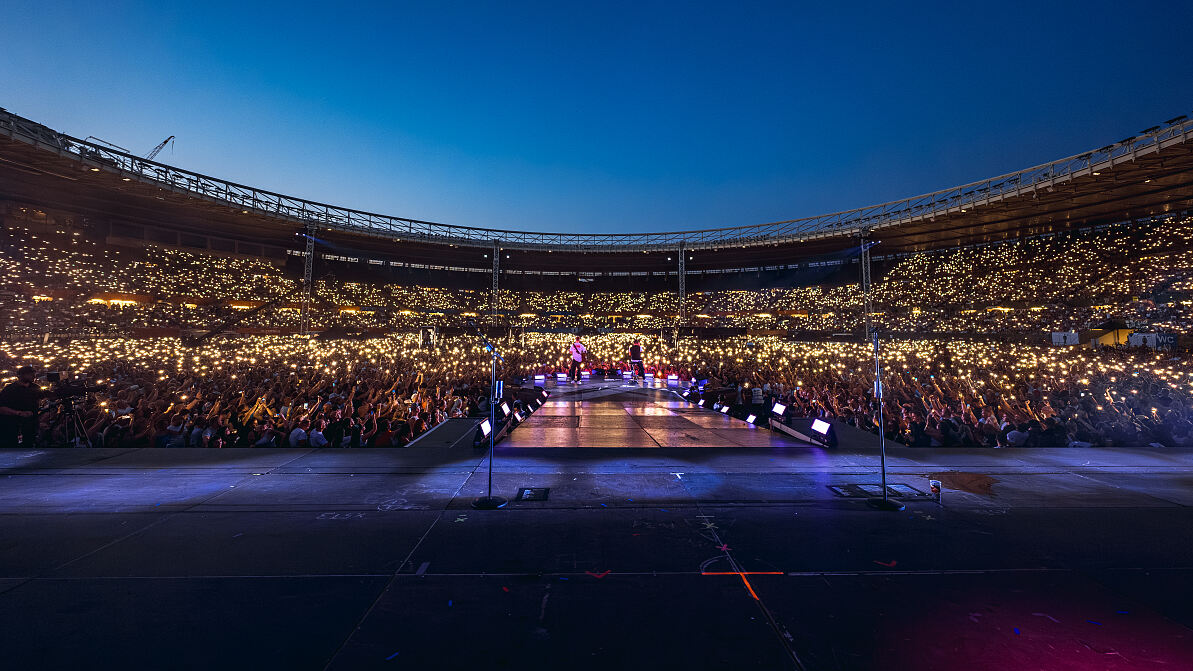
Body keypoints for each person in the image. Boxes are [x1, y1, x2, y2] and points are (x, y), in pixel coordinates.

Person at [0, 366, 43, 448]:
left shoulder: (35, 388)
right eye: (30, 374)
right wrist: (19, 413)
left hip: (31, 425)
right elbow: (1, 408)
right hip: (12, 425)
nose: (34, 376)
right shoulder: (9, 390)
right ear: (21, 375)